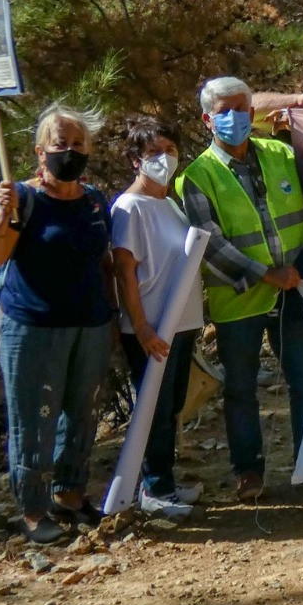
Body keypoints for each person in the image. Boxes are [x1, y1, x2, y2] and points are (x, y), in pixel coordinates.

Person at [0, 103, 115, 543]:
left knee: (82, 416)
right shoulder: (23, 199)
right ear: (40, 152)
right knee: (34, 420)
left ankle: (70, 493)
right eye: (60, 144)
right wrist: (4, 213)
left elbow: (105, 262)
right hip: (33, 328)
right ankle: (33, 511)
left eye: (77, 144)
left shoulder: (94, 200)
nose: (68, 152)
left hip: (89, 326)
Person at [176, 77, 303, 502]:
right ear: (207, 119)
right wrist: (265, 273)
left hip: (296, 290)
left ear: (253, 115)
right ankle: (248, 472)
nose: (234, 117)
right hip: (238, 298)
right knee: (241, 387)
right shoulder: (197, 176)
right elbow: (209, 241)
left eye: (241, 108)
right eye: (223, 110)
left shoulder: (283, 154)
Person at [111, 115, 206, 518]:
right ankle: (153, 490)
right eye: (153, 153)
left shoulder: (170, 203)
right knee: (153, 408)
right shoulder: (129, 208)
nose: (163, 159)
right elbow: (125, 272)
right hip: (151, 330)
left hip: (181, 325)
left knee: (170, 408)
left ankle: (165, 482)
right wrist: (143, 327)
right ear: (135, 159)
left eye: (169, 151)